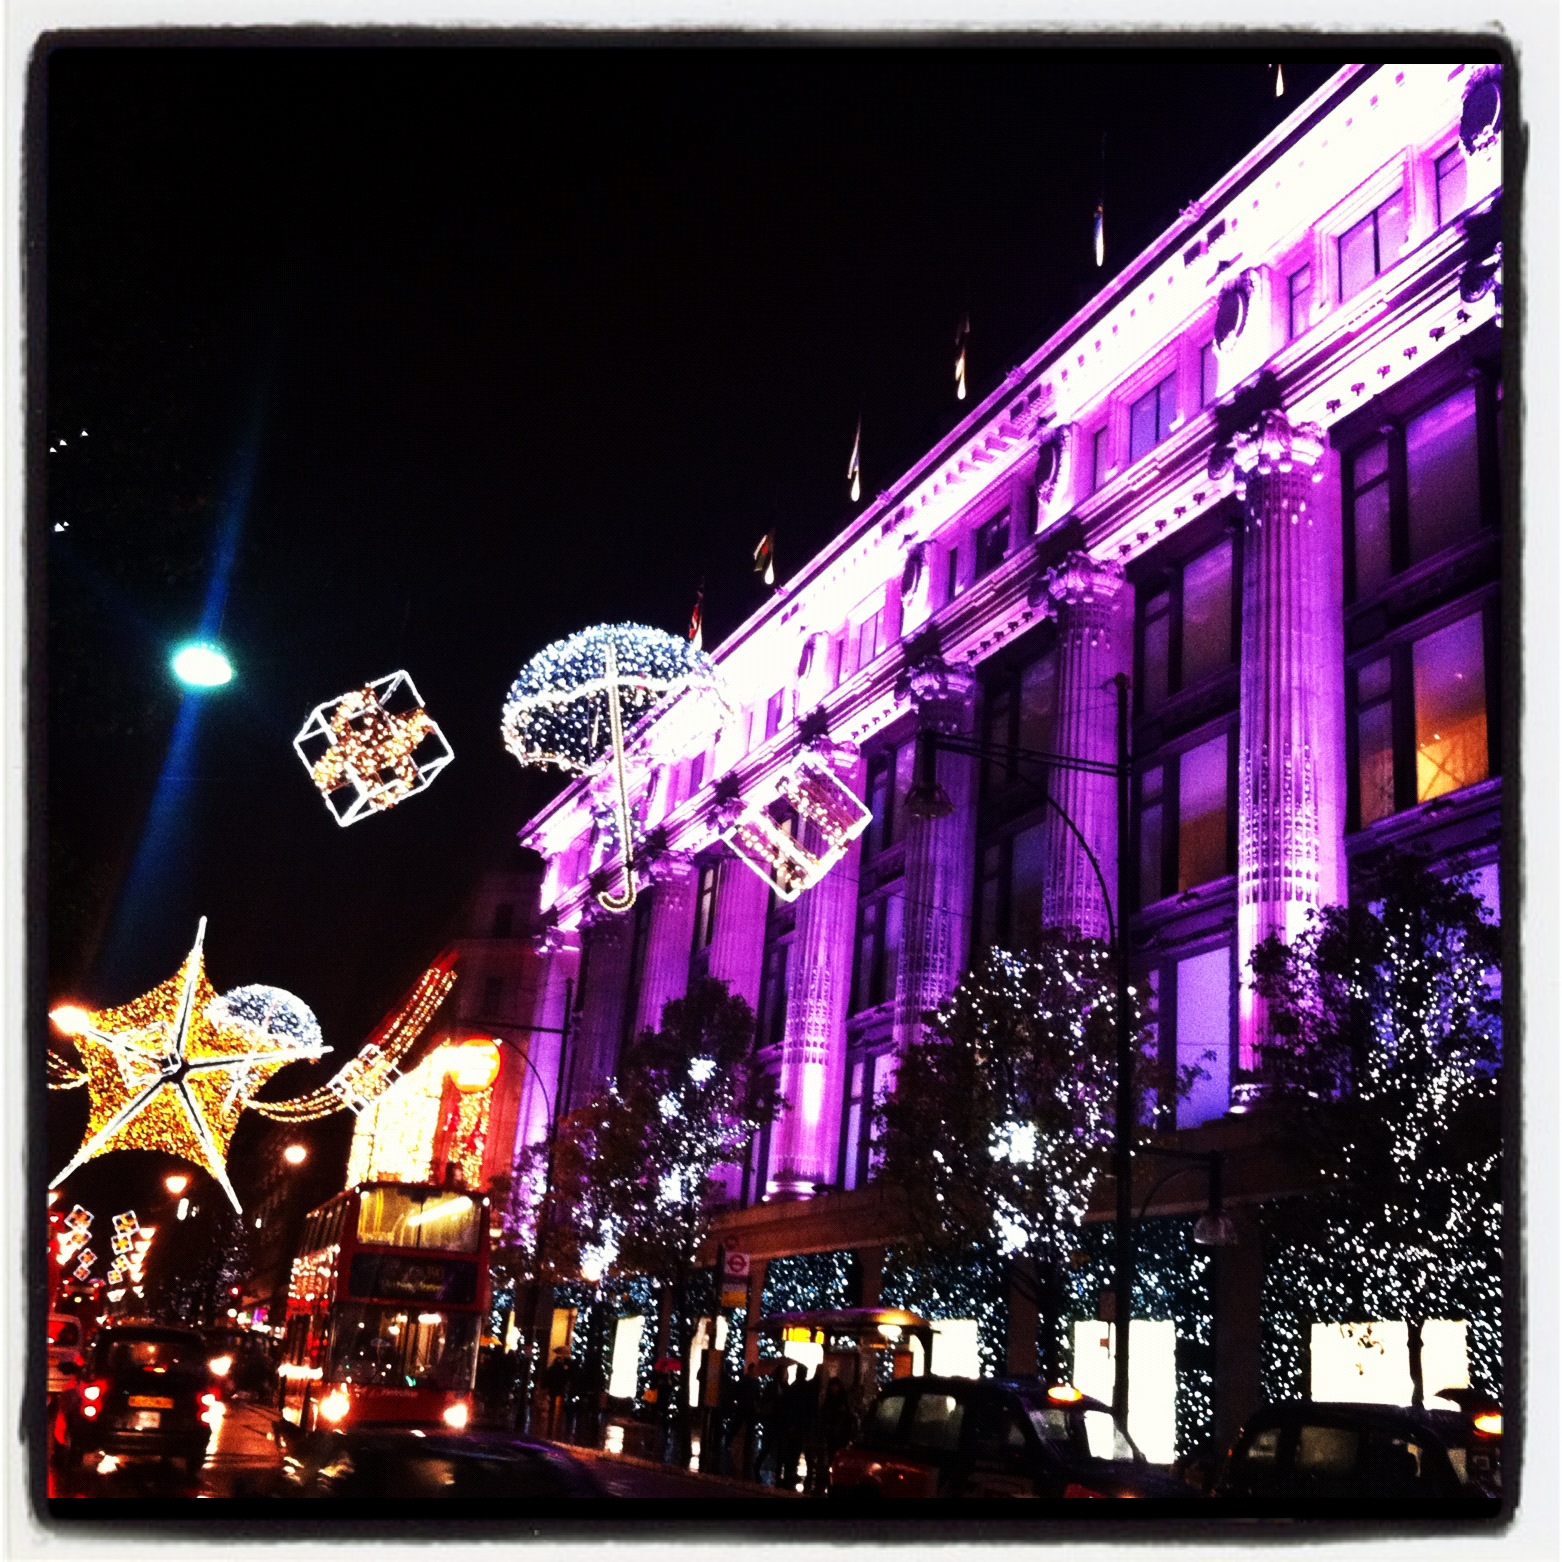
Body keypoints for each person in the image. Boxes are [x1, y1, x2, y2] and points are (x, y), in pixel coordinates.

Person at [817, 1375, 858, 1495]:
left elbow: (847, 1417)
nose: (834, 1389)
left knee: (836, 1459)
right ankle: (832, 1483)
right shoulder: (831, 1402)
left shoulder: (842, 1401)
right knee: (831, 1459)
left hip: (840, 1435)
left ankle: (835, 1484)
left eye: (835, 1386)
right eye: (832, 1386)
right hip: (832, 1435)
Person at [542, 1348, 572, 1440]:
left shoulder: (553, 1366)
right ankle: (554, 1414)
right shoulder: (562, 1367)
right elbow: (564, 1377)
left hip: (553, 1386)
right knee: (555, 1400)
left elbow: (549, 1375)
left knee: (553, 1399)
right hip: (557, 1386)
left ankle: (552, 1413)